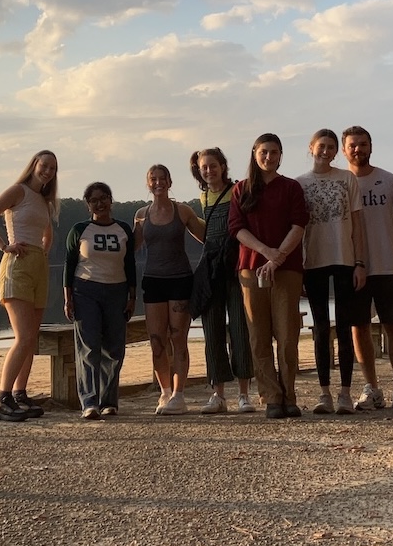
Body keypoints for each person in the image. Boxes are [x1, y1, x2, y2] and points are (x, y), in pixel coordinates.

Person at [341, 126, 393, 412]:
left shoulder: (388, 181)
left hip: (389, 266)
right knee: (359, 327)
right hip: (353, 269)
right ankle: (372, 388)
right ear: (344, 150)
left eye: (363, 144)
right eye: (352, 145)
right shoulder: (341, 183)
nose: (357, 150)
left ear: (371, 147)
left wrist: (382, 244)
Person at [228, 133, 309, 419]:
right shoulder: (241, 190)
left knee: (287, 335)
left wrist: (278, 258)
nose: (269, 157)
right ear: (254, 153)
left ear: (280, 155)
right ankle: (271, 397)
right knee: (258, 336)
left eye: (274, 152)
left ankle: (289, 395)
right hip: (251, 268)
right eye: (264, 152)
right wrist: (266, 252)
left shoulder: (291, 188)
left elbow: (299, 225)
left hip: (286, 269)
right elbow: (237, 228)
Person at [0, 150, 59, 422]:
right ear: (34, 165)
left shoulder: (45, 202)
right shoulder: (18, 191)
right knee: (23, 337)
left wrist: (43, 252)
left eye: (52, 168)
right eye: (44, 165)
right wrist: (5, 246)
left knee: (31, 338)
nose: (47, 171)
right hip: (17, 265)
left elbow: (47, 234)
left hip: (37, 267)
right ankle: (2, 399)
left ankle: (20, 395)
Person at [296, 129, 366, 415]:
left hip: (344, 259)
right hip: (313, 261)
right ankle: (324, 392)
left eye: (331, 147)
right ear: (311, 147)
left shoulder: (346, 179)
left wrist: (360, 262)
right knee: (321, 329)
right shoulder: (299, 184)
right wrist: (298, 268)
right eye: (321, 146)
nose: (325, 151)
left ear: (336, 152)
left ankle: (345, 393)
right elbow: (297, 229)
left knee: (345, 326)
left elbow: (358, 225)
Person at [134, 164, 206, 415]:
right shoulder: (141, 214)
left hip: (180, 280)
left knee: (178, 338)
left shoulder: (182, 211)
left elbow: (207, 236)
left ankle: (179, 395)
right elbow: (131, 246)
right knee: (156, 342)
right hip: (153, 281)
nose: (158, 183)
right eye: (153, 179)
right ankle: (164, 393)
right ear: (148, 183)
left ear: (169, 181)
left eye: (162, 178)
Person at [63, 182, 137, 419]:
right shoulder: (79, 230)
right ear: (88, 205)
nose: (100, 203)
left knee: (114, 349)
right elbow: (69, 266)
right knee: (89, 347)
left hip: (117, 291)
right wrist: (68, 299)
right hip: (86, 291)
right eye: (94, 200)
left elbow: (130, 265)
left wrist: (132, 296)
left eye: (104, 198)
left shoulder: (123, 229)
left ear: (111, 200)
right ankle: (89, 402)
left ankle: (109, 401)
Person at [189, 148, 255, 414]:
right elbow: (207, 233)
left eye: (213, 166)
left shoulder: (239, 189)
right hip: (211, 268)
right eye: (204, 167)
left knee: (240, 327)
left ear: (223, 166)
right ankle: (218, 394)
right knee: (212, 329)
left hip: (236, 265)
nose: (209, 171)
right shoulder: (203, 196)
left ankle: (243, 394)